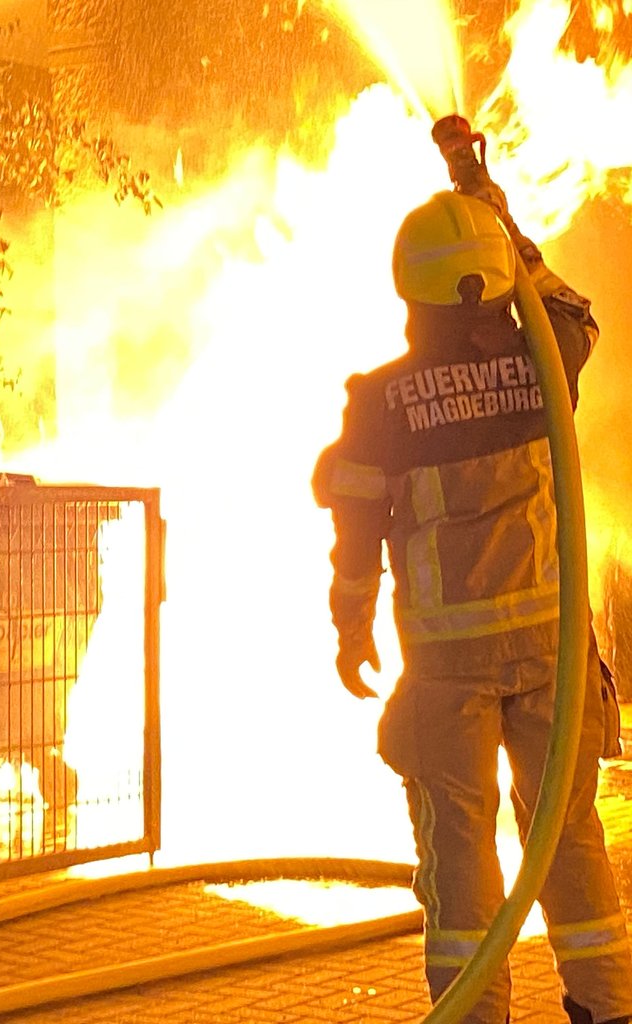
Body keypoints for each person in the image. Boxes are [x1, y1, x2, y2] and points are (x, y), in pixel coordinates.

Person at [312, 187, 632, 1024]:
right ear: (491, 283)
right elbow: (572, 308)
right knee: (568, 840)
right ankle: (608, 1006)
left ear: (409, 292)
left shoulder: (381, 404)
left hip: (449, 676)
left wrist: (350, 625)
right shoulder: (545, 361)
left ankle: (474, 1012)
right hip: (553, 661)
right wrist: (508, 227)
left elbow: (356, 532)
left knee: (460, 854)